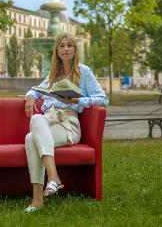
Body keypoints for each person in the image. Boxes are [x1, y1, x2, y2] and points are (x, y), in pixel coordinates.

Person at [24, 32, 108, 212]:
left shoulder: (84, 71)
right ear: (57, 50)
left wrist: (78, 101)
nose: (66, 49)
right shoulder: (54, 73)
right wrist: (30, 96)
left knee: (32, 136)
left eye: (69, 45)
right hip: (49, 121)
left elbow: (103, 99)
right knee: (33, 132)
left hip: (69, 124)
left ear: (75, 49)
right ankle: (44, 191)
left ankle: (47, 186)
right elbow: (36, 90)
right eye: (61, 45)